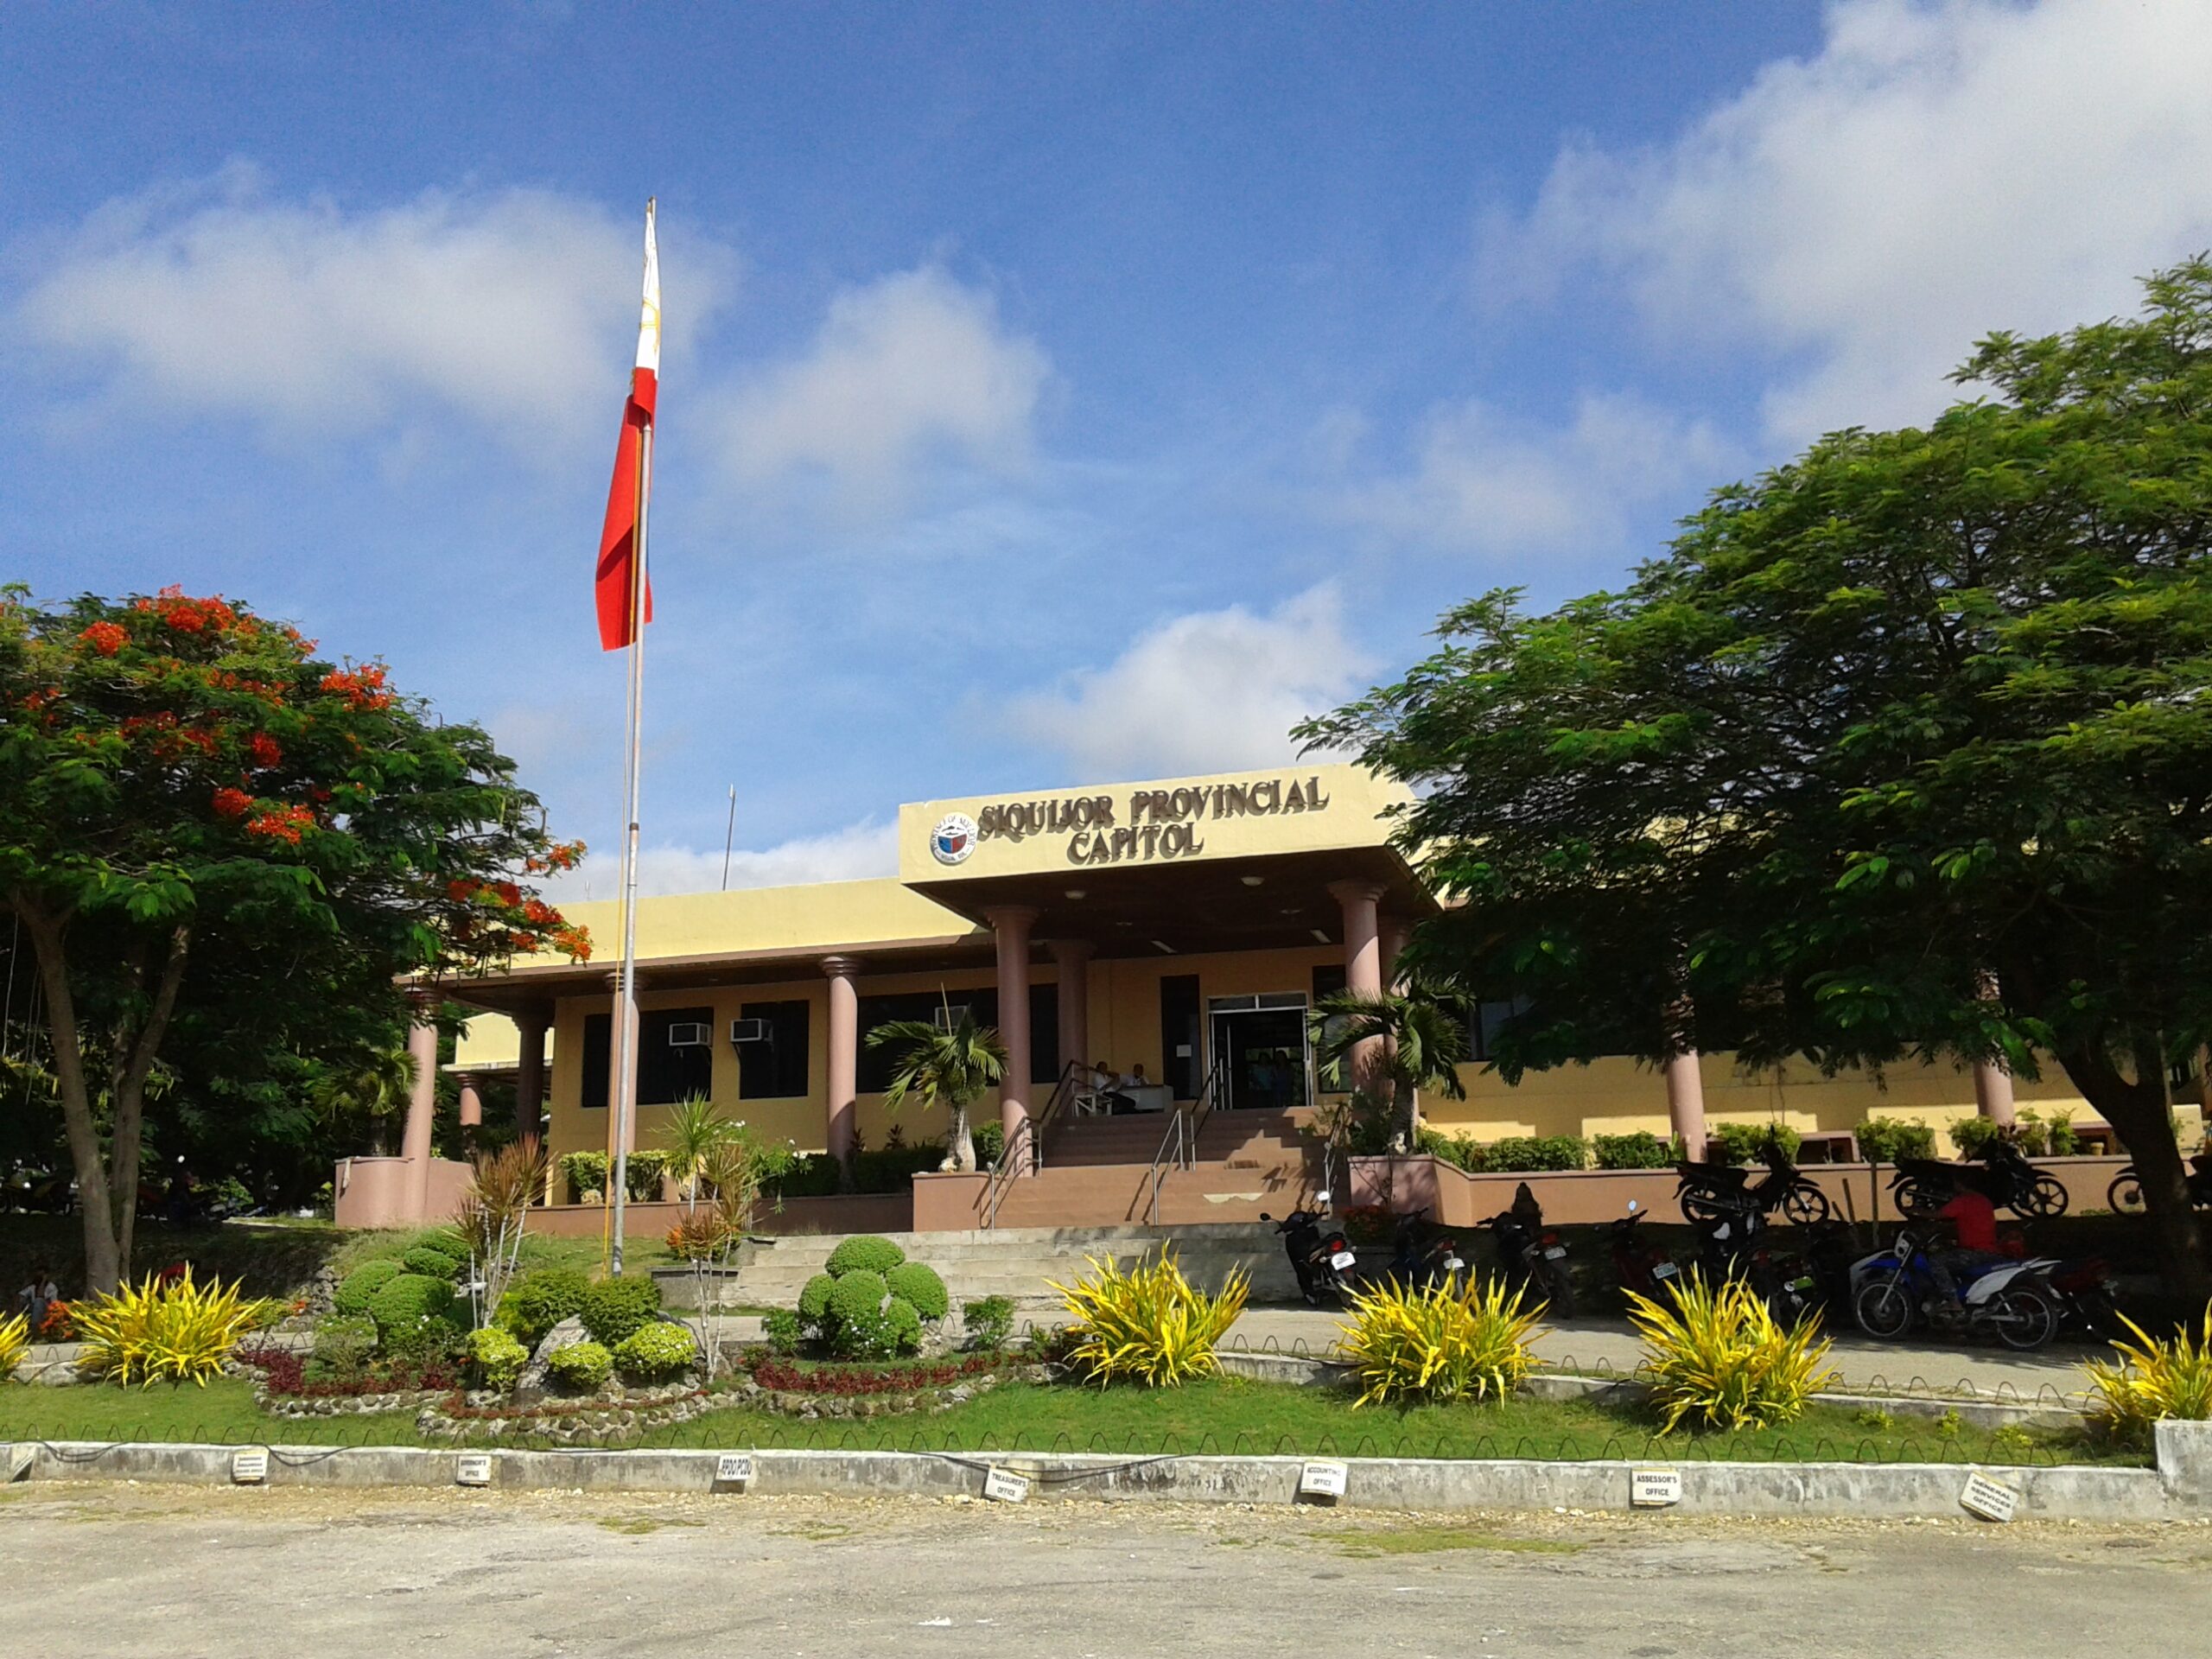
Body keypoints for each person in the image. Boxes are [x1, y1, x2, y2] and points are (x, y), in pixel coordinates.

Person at [17, 1268, 58, 1339]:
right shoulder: (33, 1287)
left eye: (42, 1276)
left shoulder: (51, 1287)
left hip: (47, 1309)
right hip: (34, 1308)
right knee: (32, 1303)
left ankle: (35, 1327)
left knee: (39, 1300)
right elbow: (21, 1295)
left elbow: (52, 1302)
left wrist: (43, 1281)